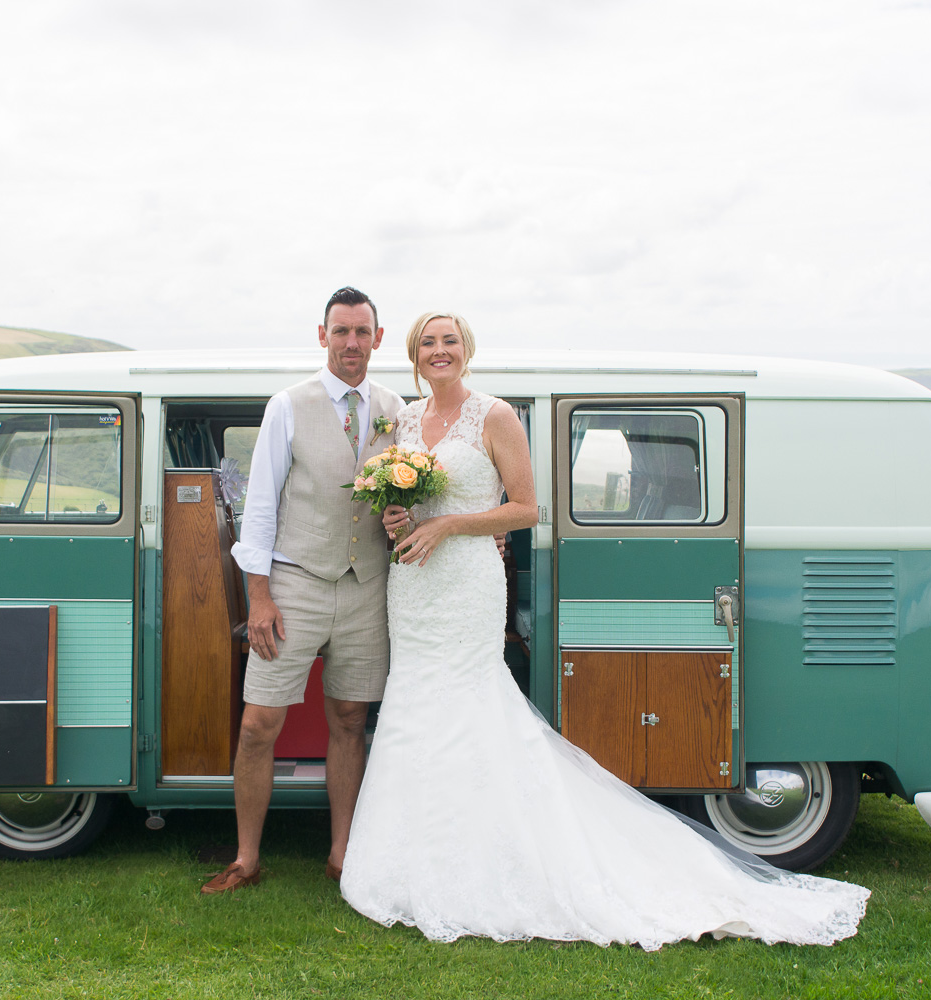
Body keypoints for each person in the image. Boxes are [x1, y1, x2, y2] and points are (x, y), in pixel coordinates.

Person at [339, 311, 871, 947]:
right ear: (414, 354)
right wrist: (398, 518)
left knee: (470, 708)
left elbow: (527, 508)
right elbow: (399, 510)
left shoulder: (496, 416)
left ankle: (494, 858)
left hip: (465, 584)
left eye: (449, 341)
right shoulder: (403, 421)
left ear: (466, 350)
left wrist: (449, 525)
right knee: (417, 707)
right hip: (414, 584)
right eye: (428, 343)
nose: (439, 351)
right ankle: (412, 859)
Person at [204, 287, 405, 894]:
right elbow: (259, 504)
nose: (351, 343)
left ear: (376, 338)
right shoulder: (288, 405)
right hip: (294, 584)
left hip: (368, 585)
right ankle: (246, 859)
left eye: (362, 332)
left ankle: (342, 854)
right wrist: (259, 596)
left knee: (349, 719)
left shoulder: (397, 407)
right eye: (340, 331)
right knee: (259, 722)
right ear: (323, 336)